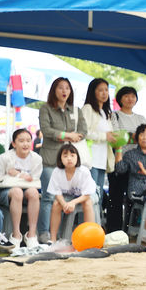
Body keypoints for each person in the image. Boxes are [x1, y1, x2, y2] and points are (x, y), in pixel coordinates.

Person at [37, 77, 87, 244]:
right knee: (49, 197)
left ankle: (63, 235)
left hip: (71, 160)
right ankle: (44, 234)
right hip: (51, 159)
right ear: (54, 90)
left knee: (67, 196)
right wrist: (67, 135)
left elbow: (83, 131)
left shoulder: (76, 110)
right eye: (60, 87)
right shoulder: (45, 109)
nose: (64, 91)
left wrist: (74, 136)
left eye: (67, 88)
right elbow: (46, 130)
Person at [106, 86, 146, 233]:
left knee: (134, 198)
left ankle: (131, 230)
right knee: (115, 197)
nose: (130, 99)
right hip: (119, 161)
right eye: (126, 96)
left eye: (133, 96)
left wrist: (130, 137)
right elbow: (116, 137)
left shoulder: (141, 118)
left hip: (137, 163)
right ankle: (114, 230)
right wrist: (136, 137)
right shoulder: (114, 116)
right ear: (120, 99)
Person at [0, 129, 42, 249]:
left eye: (28, 140)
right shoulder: (3, 158)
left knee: (34, 193)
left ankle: (31, 235)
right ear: (14, 143)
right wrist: (20, 177)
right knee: (17, 192)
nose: (25, 144)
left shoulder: (36, 158)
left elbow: (34, 179)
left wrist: (17, 174)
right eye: (21, 141)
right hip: (6, 192)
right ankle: (16, 235)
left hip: (28, 189)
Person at [48, 144, 96, 242]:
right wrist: (64, 204)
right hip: (67, 196)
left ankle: (91, 236)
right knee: (56, 204)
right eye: (65, 156)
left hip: (88, 195)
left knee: (87, 203)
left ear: (77, 157)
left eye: (72, 155)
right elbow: (57, 193)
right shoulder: (57, 171)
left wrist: (73, 202)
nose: (69, 159)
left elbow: (87, 195)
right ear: (60, 158)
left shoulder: (84, 171)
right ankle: (52, 239)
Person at [81, 78, 115, 208]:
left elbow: (107, 136)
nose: (104, 93)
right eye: (100, 90)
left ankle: (96, 226)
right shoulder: (88, 109)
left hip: (102, 159)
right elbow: (83, 132)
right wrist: (104, 136)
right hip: (90, 159)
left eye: (106, 90)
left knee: (99, 196)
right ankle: (86, 226)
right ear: (92, 92)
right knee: (90, 195)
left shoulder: (106, 113)